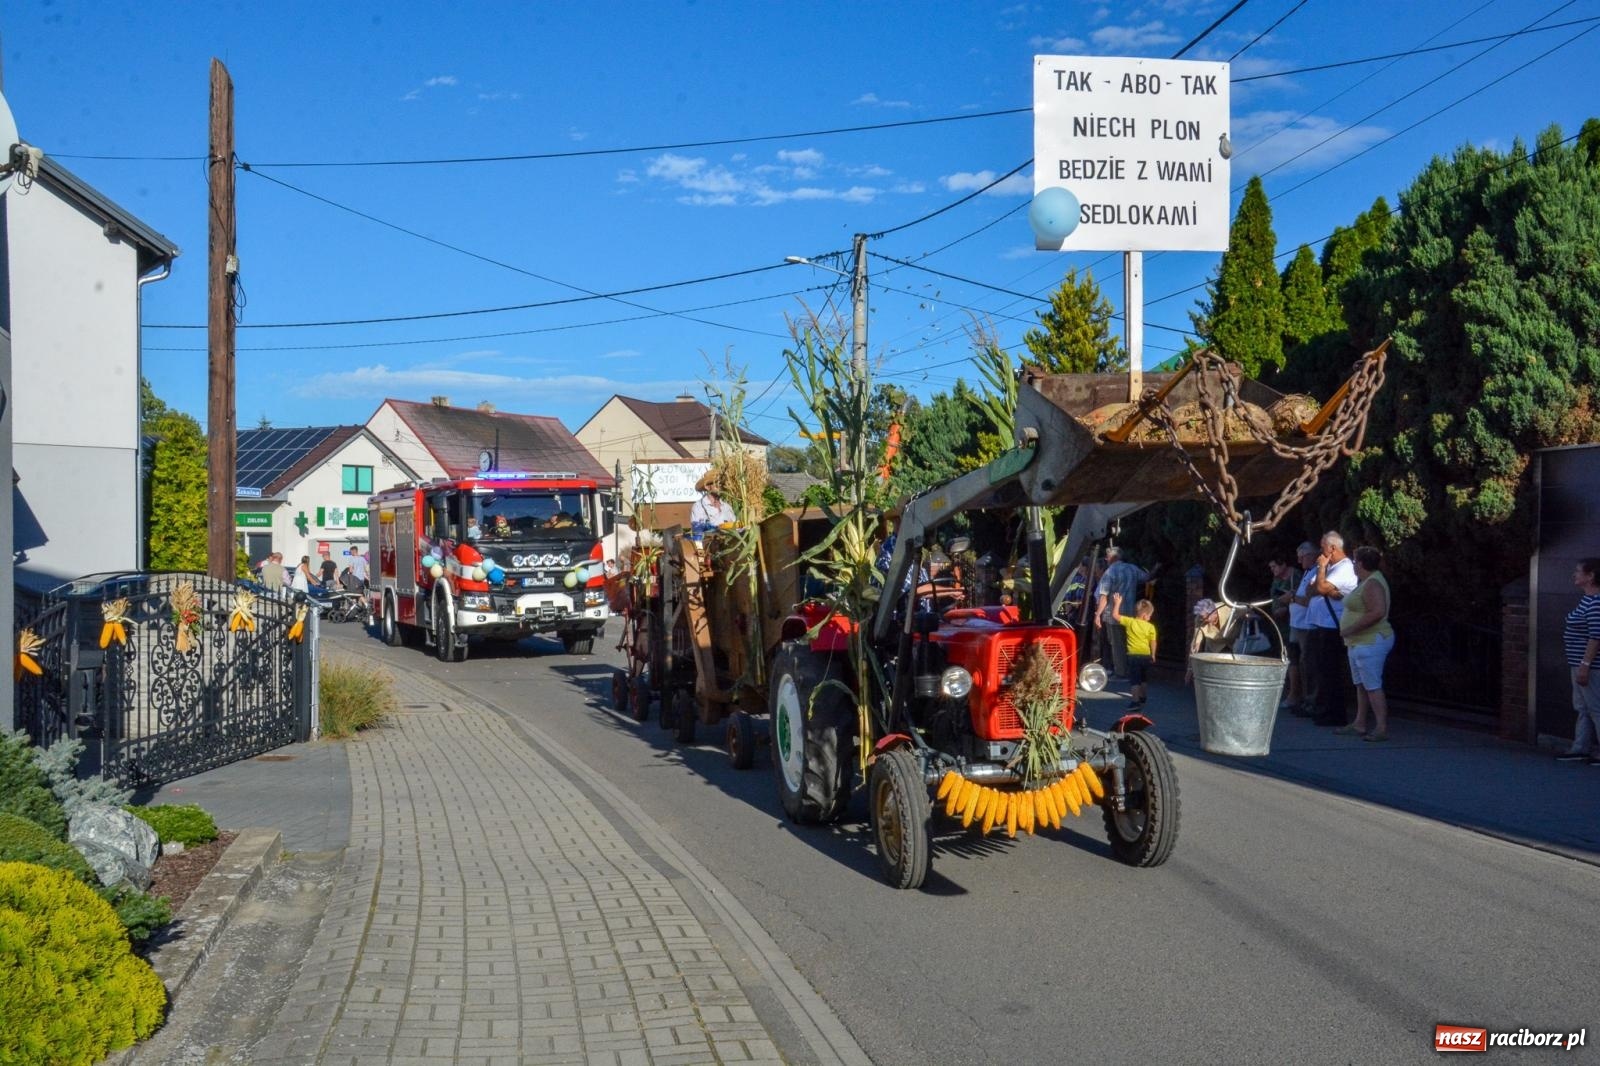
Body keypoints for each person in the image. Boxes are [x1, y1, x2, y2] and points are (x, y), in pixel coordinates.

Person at [1334, 546, 1395, 741]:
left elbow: (1377, 611)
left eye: (1354, 561)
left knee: (1372, 685)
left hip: (1370, 640)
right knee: (1361, 684)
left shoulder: (1373, 583)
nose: (1353, 565)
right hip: (1358, 642)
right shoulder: (1367, 581)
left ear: (1360, 563)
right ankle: (1359, 723)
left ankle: (1381, 727)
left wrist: (1351, 629)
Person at [1305, 531, 1358, 726]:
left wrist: (1321, 570)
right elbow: (1310, 590)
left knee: (1331, 671)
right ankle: (1323, 708)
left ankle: (1335, 714)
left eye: (1323, 547)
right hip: (1320, 624)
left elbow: (1319, 588)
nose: (1321, 552)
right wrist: (1326, 587)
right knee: (1321, 670)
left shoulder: (1344, 568)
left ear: (1333, 548)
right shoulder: (1329, 567)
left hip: (1333, 627)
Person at [1556, 557, 1600, 764]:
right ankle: (1580, 747)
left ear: (1591, 576)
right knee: (1582, 707)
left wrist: (1585, 665)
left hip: (1591, 667)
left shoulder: (1596, 603)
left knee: (1596, 707)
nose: (1574, 574)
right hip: (1578, 664)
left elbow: (1596, 636)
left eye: (1578, 571)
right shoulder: (1587, 600)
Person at [1095, 546, 1151, 679]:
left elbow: (1103, 596)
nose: (1106, 559)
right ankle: (1132, 671)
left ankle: (1121, 673)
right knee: (1129, 642)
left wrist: (1097, 615)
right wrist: (1155, 569)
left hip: (1113, 615)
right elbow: (1146, 577)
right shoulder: (1132, 568)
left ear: (1113, 558)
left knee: (1117, 644)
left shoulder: (1110, 572)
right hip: (1130, 614)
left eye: (1107, 557)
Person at [1286, 541, 1319, 716]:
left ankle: (1310, 700)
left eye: (1302, 557)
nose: (1299, 561)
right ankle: (1301, 697)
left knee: (1308, 663)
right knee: (1297, 661)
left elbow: (1307, 600)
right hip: (1296, 624)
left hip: (1306, 625)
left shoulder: (1317, 572)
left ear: (1311, 556)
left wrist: (1292, 598)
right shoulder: (1307, 572)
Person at [1111, 593, 1157, 709]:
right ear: (1145, 616)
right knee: (1143, 678)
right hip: (1146, 655)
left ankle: (1135, 702)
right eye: (1150, 615)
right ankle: (1143, 697)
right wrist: (1153, 654)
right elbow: (1153, 641)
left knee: (1135, 680)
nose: (1150, 617)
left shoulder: (1130, 622)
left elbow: (1115, 615)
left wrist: (1117, 603)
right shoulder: (1150, 627)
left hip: (1133, 655)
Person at [1184, 597, 1241, 683]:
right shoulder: (1200, 620)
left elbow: (1246, 609)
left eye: (1205, 618)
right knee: (1215, 675)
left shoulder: (1228, 608)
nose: (1203, 620)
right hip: (1214, 648)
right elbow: (1195, 644)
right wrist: (1190, 669)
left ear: (1214, 613)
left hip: (1234, 643)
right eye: (1201, 618)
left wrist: (1248, 615)